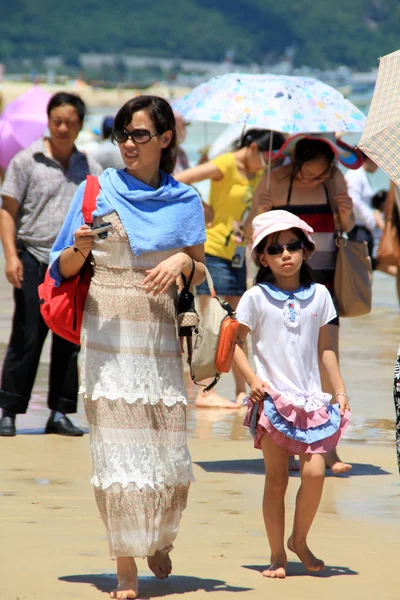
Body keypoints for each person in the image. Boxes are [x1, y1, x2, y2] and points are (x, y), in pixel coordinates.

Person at [49, 95, 206, 599]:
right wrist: (79, 248)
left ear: (165, 139)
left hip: (160, 337)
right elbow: (61, 269)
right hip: (109, 334)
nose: (128, 144)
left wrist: (182, 262)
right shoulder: (96, 190)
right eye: (122, 134)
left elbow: (201, 273)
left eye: (139, 134)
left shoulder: (185, 201)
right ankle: (125, 567)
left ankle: (157, 537)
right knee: (117, 454)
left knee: (164, 449)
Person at [234, 210, 350, 578]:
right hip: (271, 402)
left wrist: (340, 390)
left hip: (311, 400)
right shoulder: (254, 297)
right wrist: (252, 380)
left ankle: (298, 541)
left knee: (315, 473)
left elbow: (325, 350)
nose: (285, 254)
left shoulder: (320, 296)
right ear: (262, 257)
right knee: (277, 479)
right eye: (276, 248)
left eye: (293, 245)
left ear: (306, 250)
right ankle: (276, 556)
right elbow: (235, 345)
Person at [252, 134, 357, 474]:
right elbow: (252, 233)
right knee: (287, 366)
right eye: (307, 174)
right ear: (295, 164)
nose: (314, 179)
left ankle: (328, 448)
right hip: (282, 288)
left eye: (320, 174)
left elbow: (349, 227)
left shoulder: (332, 180)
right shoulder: (273, 181)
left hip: (323, 279)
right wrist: (260, 209)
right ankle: (290, 443)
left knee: (328, 357)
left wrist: (346, 213)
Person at [0, 92, 103, 437]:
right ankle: (10, 411)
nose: (62, 127)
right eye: (57, 120)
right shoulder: (26, 161)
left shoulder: (90, 168)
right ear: (48, 121)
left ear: (80, 126)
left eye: (70, 122)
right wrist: (11, 256)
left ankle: (59, 412)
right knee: (28, 335)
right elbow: (7, 211)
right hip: (33, 257)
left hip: (75, 264)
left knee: (71, 338)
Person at [175, 129, 285, 409]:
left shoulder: (260, 175)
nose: (266, 164)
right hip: (211, 253)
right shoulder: (225, 164)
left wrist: (261, 209)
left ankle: (241, 391)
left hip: (238, 255)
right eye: (265, 157)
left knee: (235, 326)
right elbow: (180, 179)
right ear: (251, 147)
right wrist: (203, 207)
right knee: (210, 324)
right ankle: (204, 391)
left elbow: (248, 228)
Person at [345, 152, 383, 262]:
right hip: (358, 230)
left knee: (365, 267)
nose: (378, 165)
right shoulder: (355, 174)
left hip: (362, 229)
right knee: (361, 268)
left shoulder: (360, 174)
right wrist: (371, 218)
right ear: (369, 158)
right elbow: (353, 201)